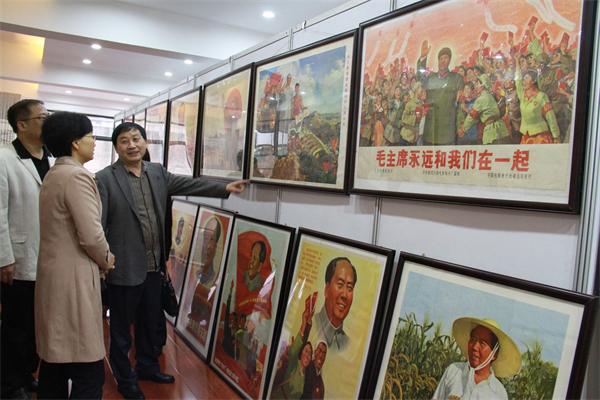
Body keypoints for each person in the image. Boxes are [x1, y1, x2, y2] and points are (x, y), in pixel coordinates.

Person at [95, 122, 247, 400]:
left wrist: (225, 187)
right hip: (124, 267)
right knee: (120, 330)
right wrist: (103, 262)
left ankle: (147, 367)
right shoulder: (105, 178)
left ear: (145, 143)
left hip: (154, 266)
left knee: (149, 321)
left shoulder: (156, 173)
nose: (132, 145)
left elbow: (190, 184)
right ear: (116, 147)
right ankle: (125, 379)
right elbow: (98, 224)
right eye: (125, 141)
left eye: (136, 139)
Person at [35, 112, 115, 399]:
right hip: (74, 278)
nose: (94, 142)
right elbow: (92, 236)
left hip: (54, 274)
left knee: (55, 361)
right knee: (87, 368)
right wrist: (107, 259)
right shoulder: (77, 176)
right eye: (90, 136)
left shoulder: (55, 173)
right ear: (75, 142)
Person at [0, 99, 50, 399]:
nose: (48, 121)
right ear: (22, 125)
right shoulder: (4, 158)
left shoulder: (52, 157)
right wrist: (4, 258)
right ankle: (9, 383)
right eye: (42, 117)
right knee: (16, 324)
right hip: (19, 258)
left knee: (37, 324)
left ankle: (27, 373)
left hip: (49, 259)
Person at [432, 317, 521, 400]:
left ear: (494, 354)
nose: (474, 347)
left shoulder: (499, 393)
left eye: (482, 343)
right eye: (473, 340)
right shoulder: (453, 371)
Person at [417, 41, 464, 145]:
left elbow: (460, 104)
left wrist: (460, 124)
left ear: (449, 60)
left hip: (448, 131)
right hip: (430, 129)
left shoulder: (457, 78)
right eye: (441, 58)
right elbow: (420, 77)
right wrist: (423, 58)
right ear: (438, 61)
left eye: (446, 58)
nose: (443, 61)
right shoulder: (430, 77)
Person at [515, 55, 561, 144]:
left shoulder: (542, 96)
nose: (523, 81)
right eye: (523, 78)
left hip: (540, 136)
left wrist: (556, 136)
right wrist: (517, 61)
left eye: (526, 78)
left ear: (533, 81)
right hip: (526, 137)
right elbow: (517, 81)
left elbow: (550, 117)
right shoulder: (522, 95)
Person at [314, 257, 357, 351]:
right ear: (326, 289)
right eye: (340, 284)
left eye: (350, 288)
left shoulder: (347, 343)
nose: (344, 295)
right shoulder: (312, 325)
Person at [459, 74, 511, 145]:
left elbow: (472, 117)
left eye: (477, 84)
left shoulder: (481, 99)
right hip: (502, 129)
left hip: (492, 132)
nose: (476, 86)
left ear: (482, 86)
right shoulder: (489, 96)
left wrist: (463, 129)